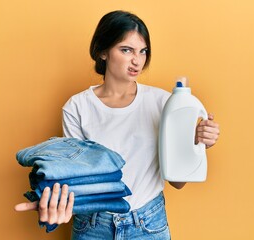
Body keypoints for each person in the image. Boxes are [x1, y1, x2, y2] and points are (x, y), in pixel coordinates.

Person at [15, 10, 220, 239]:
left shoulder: (162, 103)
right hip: (93, 226)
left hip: (148, 224)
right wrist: (58, 205)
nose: (137, 60)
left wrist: (194, 144)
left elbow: (177, 182)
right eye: (126, 50)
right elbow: (75, 179)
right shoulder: (77, 108)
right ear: (103, 52)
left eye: (143, 51)